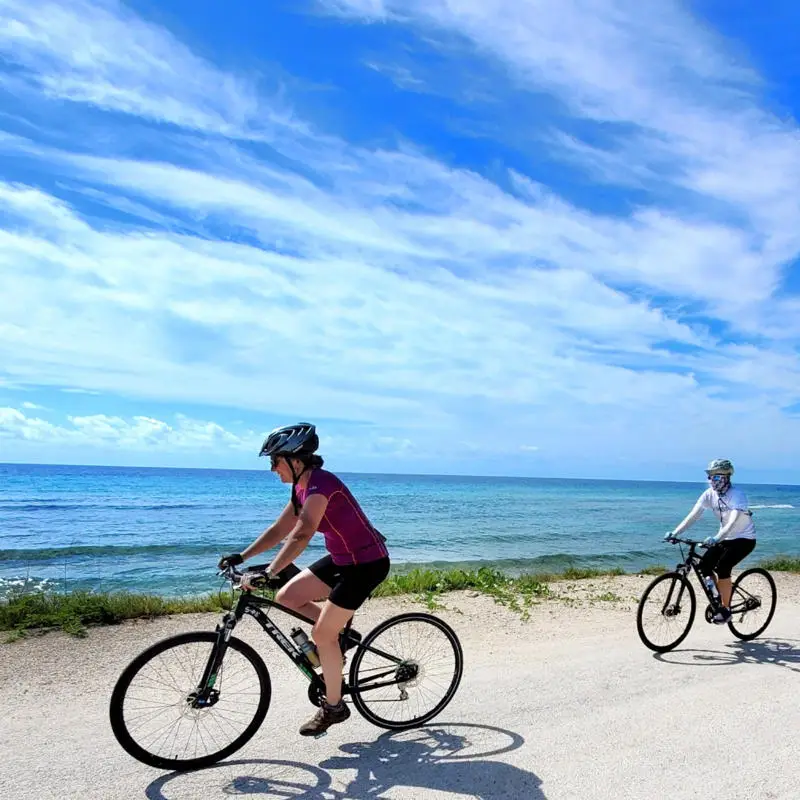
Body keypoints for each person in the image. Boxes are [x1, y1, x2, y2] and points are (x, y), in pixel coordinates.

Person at [218, 422, 390, 736]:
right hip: (342, 560)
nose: (272, 469)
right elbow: (280, 530)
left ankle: (335, 707)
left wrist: (268, 572)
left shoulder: (321, 483)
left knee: (322, 634)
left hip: (367, 563)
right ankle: (342, 638)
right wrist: (241, 557)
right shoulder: (301, 488)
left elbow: (303, 532)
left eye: (275, 461)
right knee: (287, 596)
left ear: (296, 460)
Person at [666, 458, 756, 624]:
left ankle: (726, 610)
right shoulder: (709, 495)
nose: (712, 481)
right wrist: (675, 532)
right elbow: (694, 515)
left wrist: (716, 538)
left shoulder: (737, 495)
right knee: (704, 566)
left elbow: (732, 522)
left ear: (726, 477)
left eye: (715, 477)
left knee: (723, 567)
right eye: (710, 477)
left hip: (744, 539)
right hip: (725, 538)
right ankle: (718, 597)